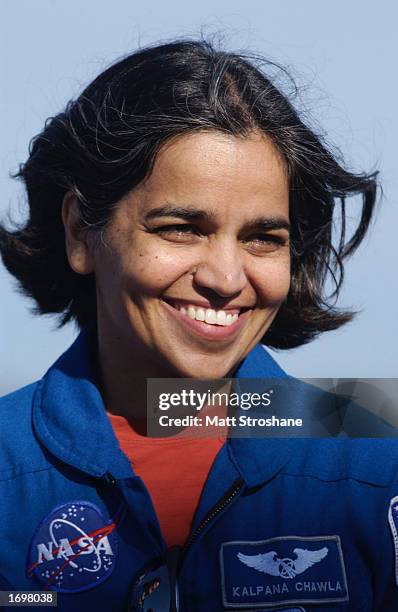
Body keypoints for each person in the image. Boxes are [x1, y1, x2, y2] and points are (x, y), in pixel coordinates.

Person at [0, 39, 397, 611]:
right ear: (80, 232)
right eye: (182, 228)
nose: (227, 277)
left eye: (264, 238)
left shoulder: (376, 469)